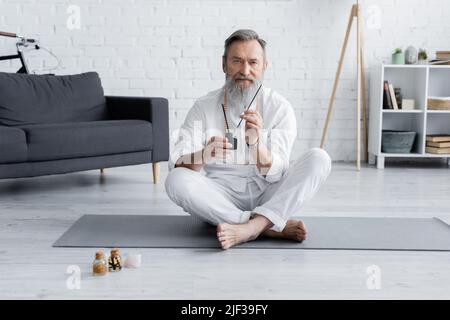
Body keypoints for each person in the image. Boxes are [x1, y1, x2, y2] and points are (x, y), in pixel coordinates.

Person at [165, 29, 331, 249]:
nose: (245, 70)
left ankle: (250, 228)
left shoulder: (280, 107)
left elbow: (278, 173)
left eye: (253, 62)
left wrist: (257, 145)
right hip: (220, 196)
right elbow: (178, 162)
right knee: (175, 179)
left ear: (264, 66)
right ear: (224, 64)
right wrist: (203, 154)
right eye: (237, 61)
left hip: (268, 192)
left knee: (319, 158)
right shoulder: (203, 106)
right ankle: (265, 225)